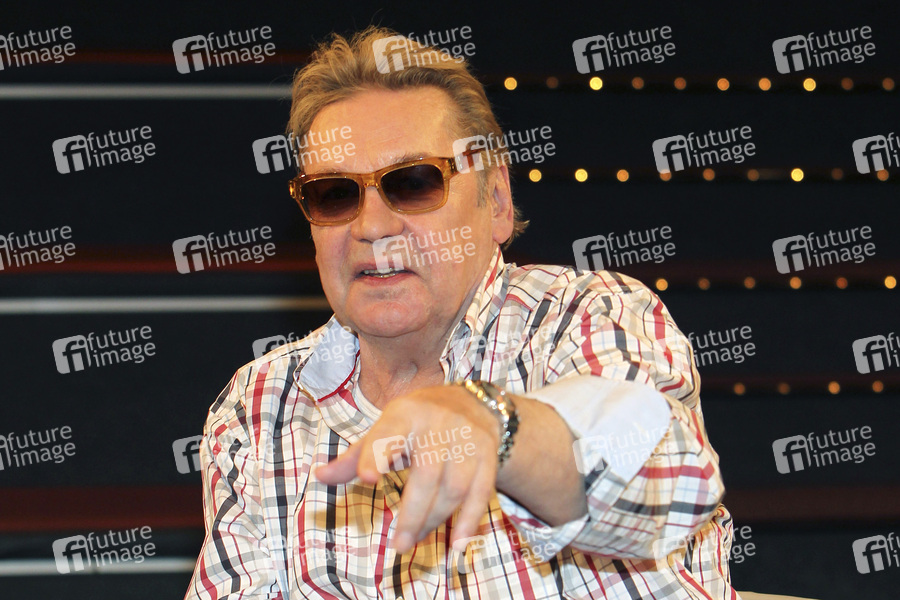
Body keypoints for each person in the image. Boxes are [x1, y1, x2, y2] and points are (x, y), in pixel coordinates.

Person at [185, 26, 739, 600]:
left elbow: (664, 485)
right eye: (335, 194)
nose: (372, 226)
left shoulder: (586, 316)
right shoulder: (259, 403)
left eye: (414, 183)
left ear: (496, 201)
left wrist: (496, 426)